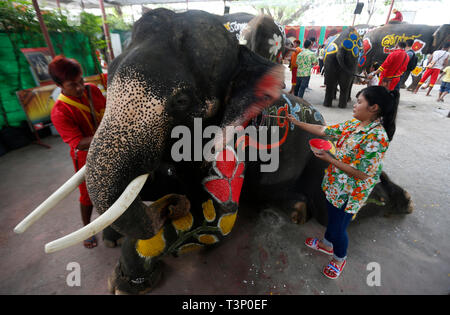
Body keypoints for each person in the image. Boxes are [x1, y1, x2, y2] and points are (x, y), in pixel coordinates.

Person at [287, 86, 399, 280]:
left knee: (339, 229)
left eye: (359, 102)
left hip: (351, 192)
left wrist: (329, 159)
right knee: (333, 218)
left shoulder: (377, 137)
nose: (354, 106)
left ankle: (339, 258)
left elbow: (363, 175)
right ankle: (326, 245)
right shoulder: (355, 125)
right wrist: (296, 122)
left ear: (373, 108)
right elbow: (323, 129)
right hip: (336, 184)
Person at [49, 55, 106, 249]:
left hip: (110, 146)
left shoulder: (94, 90)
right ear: (59, 85)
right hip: (85, 157)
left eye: (81, 80)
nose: (81, 87)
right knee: (87, 195)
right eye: (73, 84)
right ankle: (87, 229)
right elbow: (79, 143)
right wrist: (111, 133)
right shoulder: (60, 111)